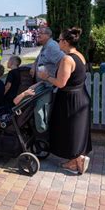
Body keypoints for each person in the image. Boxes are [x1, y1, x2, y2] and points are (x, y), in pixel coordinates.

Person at [38, 27, 92, 175]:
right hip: (80, 95)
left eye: (60, 39)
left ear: (66, 42)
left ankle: (76, 161)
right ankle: (76, 159)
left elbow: (61, 83)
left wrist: (46, 77)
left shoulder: (67, 59)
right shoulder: (79, 55)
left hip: (70, 99)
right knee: (76, 130)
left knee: (70, 130)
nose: (57, 42)